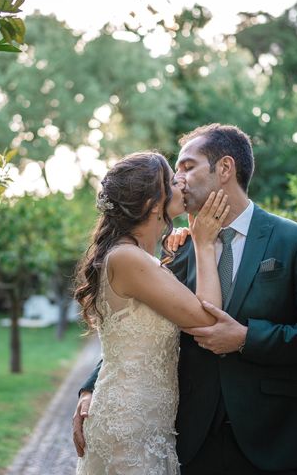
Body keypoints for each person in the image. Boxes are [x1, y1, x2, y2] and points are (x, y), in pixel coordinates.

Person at [73, 123, 297, 475]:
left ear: (224, 169)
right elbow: (138, 330)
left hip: (270, 438)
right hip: (190, 440)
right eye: (175, 173)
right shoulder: (180, 249)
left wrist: (248, 339)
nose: (180, 179)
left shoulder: (292, 241)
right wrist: (89, 390)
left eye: (188, 167)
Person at [73, 151, 231, 474]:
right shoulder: (128, 259)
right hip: (130, 429)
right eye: (173, 181)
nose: (182, 184)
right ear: (152, 202)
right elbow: (209, 320)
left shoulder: (136, 257)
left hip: (147, 423)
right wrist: (203, 244)